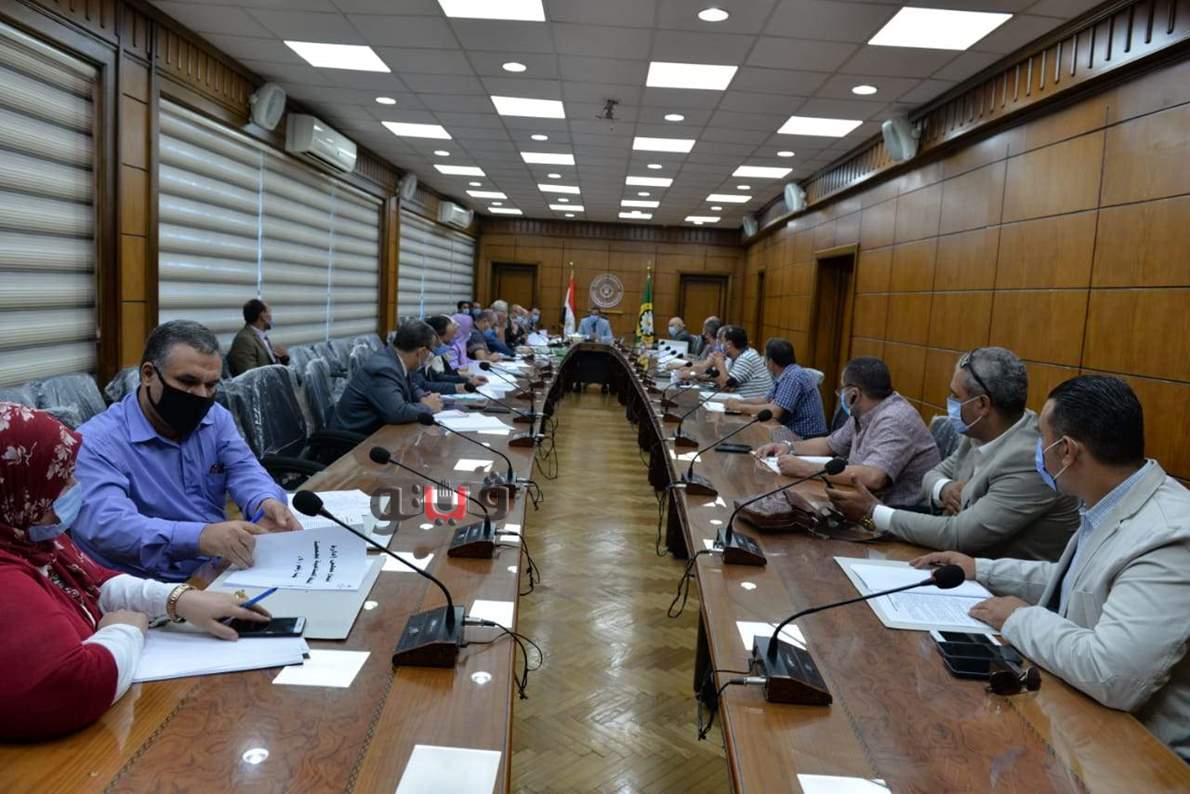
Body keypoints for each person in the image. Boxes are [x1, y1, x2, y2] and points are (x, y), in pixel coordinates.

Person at [912, 375, 1189, 761]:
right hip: (1077, 715)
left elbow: (1112, 673)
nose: (1037, 451)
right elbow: (1079, 584)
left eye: (1041, 438)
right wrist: (980, 569)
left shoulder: (1170, 536)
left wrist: (1018, 618)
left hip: (1142, 758)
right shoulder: (1111, 500)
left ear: (1067, 451)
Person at [0, 403, 273, 740]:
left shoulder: (27, 534)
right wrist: (125, 630)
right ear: (17, 486)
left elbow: (94, 580)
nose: (74, 484)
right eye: (60, 476)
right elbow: (71, 687)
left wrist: (177, 600)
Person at [72, 321, 300, 582]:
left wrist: (264, 501)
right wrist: (200, 538)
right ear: (148, 374)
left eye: (211, 385)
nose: (201, 396)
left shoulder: (215, 418)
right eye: (188, 382)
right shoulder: (96, 443)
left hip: (219, 567)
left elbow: (244, 468)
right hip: (149, 586)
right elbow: (109, 527)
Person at [829, 347, 1080, 559]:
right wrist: (943, 488)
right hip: (959, 563)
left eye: (955, 395)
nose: (949, 400)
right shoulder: (981, 432)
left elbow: (958, 535)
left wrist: (873, 511)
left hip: (1002, 588)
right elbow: (932, 474)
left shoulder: (1030, 459)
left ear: (982, 404)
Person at [759, 357, 939, 508]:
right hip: (866, 505)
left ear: (854, 394)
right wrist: (788, 446)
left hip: (898, 516)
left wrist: (806, 469)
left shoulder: (895, 419)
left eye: (841, 389)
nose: (840, 394)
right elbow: (829, 444)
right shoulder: (864, 411)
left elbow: (874, 477)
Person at [329, 320, 444, 434]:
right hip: (353, 438)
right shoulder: (384, 369)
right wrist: (427, 406)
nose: (430, 355)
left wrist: (421, 397)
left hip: (374, 431)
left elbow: (409, 385)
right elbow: (397, 412)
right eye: (431, 351)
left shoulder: (394, 358)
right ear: (421, 351)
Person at [725, 337, 827, 438]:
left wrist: (739, 407)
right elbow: (764, 399)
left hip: (806, 438)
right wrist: (739, 402)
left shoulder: (793, 377)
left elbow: (775, 412)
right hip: (793, 433)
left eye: (765, 358)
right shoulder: (785, 374)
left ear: (771, 362)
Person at [419, 315, 486, 394]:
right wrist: (459, 387)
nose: (450, 345)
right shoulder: (419, 360)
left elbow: (438, 377)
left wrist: (468, 380)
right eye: (446, 342)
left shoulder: (433, 356)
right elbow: (424, 385)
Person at [708, 325, 773, 400]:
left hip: (752, 404)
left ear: (729, 344)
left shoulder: (747, 358)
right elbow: (726, 384)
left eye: (722, 341)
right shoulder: (737, 356)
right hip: (741, 401)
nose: (720, 345)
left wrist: (720, 364)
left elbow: (726, 386)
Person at [227, 298, 288, 376]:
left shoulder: (261, 336)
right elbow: (251, 376)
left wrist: (283, 359)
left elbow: (270, 366)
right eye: (269, 312)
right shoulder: (244, 340)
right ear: (263, 315)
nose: (271, 317)